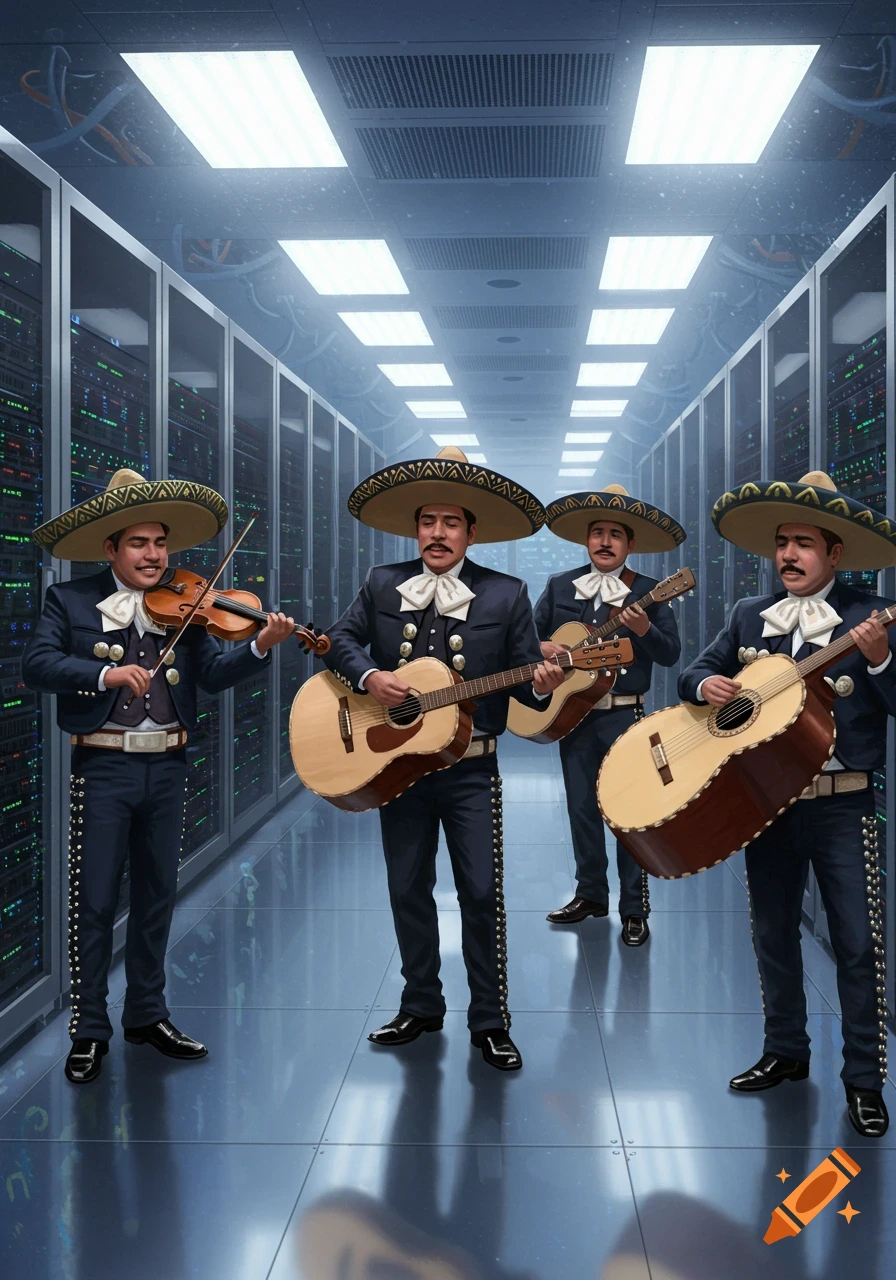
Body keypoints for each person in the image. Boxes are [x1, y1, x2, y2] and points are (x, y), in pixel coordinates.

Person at [23, 468, 295, 1084]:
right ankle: (89, 1029)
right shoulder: (69, 600)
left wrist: (259, 647)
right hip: (104, 765)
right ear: (110, 548)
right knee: (94, 900)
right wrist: (103, 675)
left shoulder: (188, 606)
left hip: (169, 765)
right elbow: (37, 664)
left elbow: (213, 676)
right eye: (139, 543)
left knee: (156, 896)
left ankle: (147, 1014)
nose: (154, 556)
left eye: (160, 543)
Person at [323, 446, 564, 1071]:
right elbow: (339, 639)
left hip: (470, 768)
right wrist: (369, 676)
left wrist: (544, 683)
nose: (437, 533)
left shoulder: (507, 593)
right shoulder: (382, 582)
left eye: (450, 523)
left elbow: (524, 682)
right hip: (398, 766)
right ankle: (421, 1004)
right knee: (407, 886)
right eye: (428, 521)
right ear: (416, 528)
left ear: (470, 533)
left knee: (480, 891)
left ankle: (490, 1019)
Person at [678, 470, 896, 1138]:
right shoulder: (751, 614)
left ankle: (864, 1081)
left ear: (835, 553)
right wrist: (707, 685)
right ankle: (785, 1051)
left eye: (803, 543)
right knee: (772, 932)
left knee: (857, 944)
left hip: (843, 805)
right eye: (782, 543)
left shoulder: (872, 616)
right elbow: (692, 672)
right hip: (766, 803)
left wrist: (881, 662)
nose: (788, 555)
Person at [532, 485, 684, 945]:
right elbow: (526, 639)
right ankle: (591, 895)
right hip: (573, 716)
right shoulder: (560, 585)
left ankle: (634, 908)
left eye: (615, 534)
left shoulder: (651, 592)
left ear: (630, 544)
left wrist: (644, 628)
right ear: (586, 540)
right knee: (581, 808)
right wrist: (542, 647)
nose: (604, 541)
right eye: (597, 533)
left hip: (625, 717)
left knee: (629, 812)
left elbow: (670, 653)